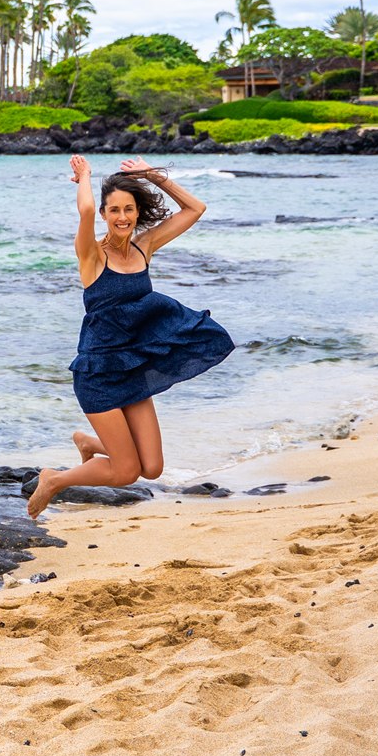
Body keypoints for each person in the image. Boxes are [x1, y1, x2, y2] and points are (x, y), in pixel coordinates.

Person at [27, 156, 233, 518]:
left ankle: (91, 443)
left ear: (137, 213)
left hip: (133, 368)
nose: (122, 217)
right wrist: (85, 177)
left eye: (129, 210)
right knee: (126, 472)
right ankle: (54, 480)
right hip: (98, 374)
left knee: (151, 468)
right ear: (105, 214)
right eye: (114, 211)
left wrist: (152, 176)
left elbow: (195, 208)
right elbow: (86, 209)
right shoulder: (91, 255)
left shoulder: (143, 247)